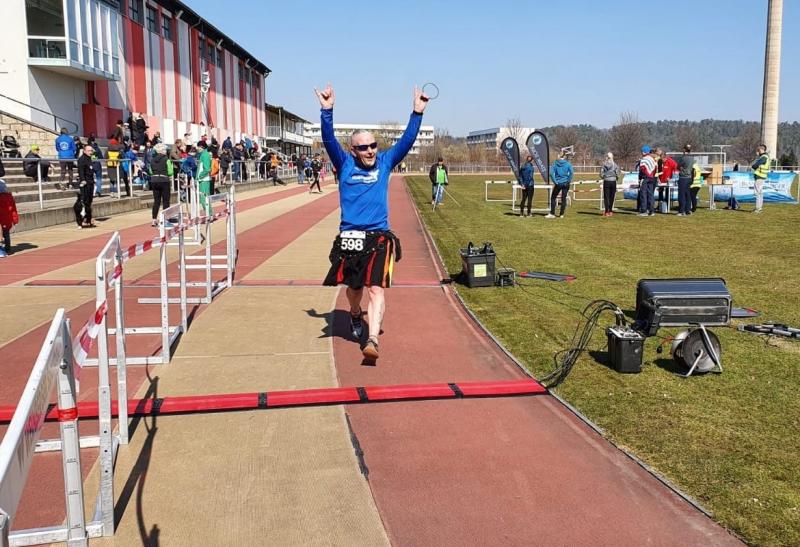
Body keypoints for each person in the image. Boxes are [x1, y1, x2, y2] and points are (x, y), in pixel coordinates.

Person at [317, 83, 428, 362]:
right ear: (353, 150)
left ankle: (373, 340)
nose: (370, 151)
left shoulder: (385, 162)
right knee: (354, 290)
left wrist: (417, 113)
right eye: (363, 147)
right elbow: (328, 140)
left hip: (379, 236)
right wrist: (327, 111)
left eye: (373, 145)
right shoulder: (344, 164)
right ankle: (355, 313)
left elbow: (406, 142)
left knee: (376, 288)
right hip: (350, 237)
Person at [148, 143, 173, 227]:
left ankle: (154, 220)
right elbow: (170, 172)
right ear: (163, 151)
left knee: (156, 201)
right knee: (166, 201)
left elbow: (150, 171)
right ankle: (165, 220)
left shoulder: (152, 160)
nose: (166, 151)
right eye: (165, 150)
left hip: (154, 180)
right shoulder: (167, 160)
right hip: (164, 180)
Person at [75, 145, 97, 228]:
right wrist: (83, 180)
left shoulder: (90, 158)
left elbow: (91, 168)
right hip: (85, 183)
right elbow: (81, 170)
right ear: (84, 151)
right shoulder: (82, 159)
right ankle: (83, 219)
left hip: (91, 182)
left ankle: (88, 219)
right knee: (85, 201)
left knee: (90, 201)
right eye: (89, 151)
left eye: (91, 150)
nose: (90, 152)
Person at [546, 152, 573, 218]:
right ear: (564, 157)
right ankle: (561, 214)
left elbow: (551, 173)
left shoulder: (555, 163)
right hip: (566, 183)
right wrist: (568, 181)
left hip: (558, 183)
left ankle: (552, 213)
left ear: (559, 156)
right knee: (563, 198)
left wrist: (555, 181)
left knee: (553, 197)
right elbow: (571, 173)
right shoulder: (568, 164)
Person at [0, 180, 19, 257]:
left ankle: (3, 249)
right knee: (6, 234)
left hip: (1, 220)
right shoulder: (10, 197)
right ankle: (8, 249)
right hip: (8, 219)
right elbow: (13, 209)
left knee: (2, 234)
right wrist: (15, 220)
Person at [675, 145, 695, 216]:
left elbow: (678, 166)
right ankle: (688, 210)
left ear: (684, 150)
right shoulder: (692, 158)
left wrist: (681, 168)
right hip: (689, 177)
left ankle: (681, 211)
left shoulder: (683, 158)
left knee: (681, 195)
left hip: (683, 178)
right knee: (688, 194)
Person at [637, 146, 657, 216]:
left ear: (644, 152)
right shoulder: (652, 159)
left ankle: (644, 211)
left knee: (643, 194)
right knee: (650, 194)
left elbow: (642, 168)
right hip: (652, 178)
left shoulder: (644, 159)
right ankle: (651, 211)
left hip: (645, 178)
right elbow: (655, 168)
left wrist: (641, 178)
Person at [656, 148, 677, 212]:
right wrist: (658, 178)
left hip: (668, 181)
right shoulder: (659, 161)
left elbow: (676, 169)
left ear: (665, 158)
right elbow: (658, 170)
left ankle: (667, 205)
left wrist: (672, 178)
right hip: (661, 180)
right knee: (660, 192)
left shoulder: (671, 162)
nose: (662, 161)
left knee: (667, 192)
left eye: (663, 160)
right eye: (661, 159)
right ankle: (660, 206)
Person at [751, 143, 769, 214]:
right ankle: (759, 208)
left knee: (758, 193)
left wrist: (754, 165)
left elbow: (755, 165)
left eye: (759, 149)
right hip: (761, 176)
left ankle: (758, 209)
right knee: (760, 193)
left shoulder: (763, 157)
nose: (758, 151)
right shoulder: (764, 156)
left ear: (762, 149)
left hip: (759, 177)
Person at [600, 152, 620, 216]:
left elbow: (601, 173)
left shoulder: (604, 164)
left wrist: (604, 177)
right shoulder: (615, 165)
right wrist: (616, 178)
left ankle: (606, 211)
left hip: (606, 181)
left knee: (606, 197)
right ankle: (610, 211)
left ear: (607, 157)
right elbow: (618, 173)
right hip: (613, 182)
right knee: (612, 196)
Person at [196, 140, 213, 214]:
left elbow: (207, 169)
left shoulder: (205, 155)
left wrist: (200, 175)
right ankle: (208, 214)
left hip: (204, 179)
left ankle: (209, 214)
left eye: (198, 147)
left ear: (202, 147)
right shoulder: (203, 154)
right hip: (203, 179)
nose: (197, 148)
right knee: (203, 198)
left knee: (204, 198)